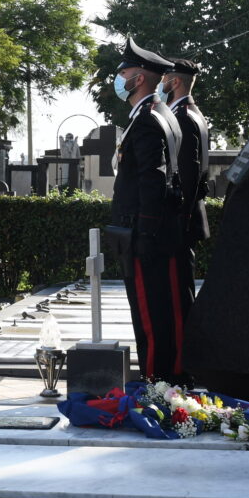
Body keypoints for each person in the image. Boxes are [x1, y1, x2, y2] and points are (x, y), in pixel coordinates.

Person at [109, 38, 186, 384]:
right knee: (160, 312)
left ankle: (157, 384)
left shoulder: (147, 121)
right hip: (156, 232)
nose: (119, 78)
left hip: (144, 235)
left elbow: (152, 181)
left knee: (149, 315)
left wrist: (145, 233)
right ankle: (168, 377)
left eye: (123, 72)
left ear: (138, 78)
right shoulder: (162, 113)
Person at [162, 58, 209, 353]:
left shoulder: (181, 117)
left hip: (181, 220)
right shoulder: (193, 112)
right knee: (181, 291)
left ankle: (182, 359)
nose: (162, 82)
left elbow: (188, 175)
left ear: (175, 82)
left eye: (165, 77)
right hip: (189, 217)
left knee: (177, 296)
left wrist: (179, 216)